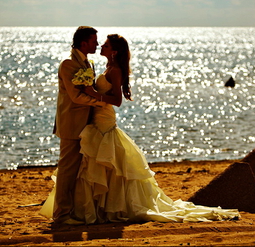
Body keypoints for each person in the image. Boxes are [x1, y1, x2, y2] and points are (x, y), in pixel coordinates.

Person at [40, 34, 240, 224]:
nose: (101, 45)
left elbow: (116, 101)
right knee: (93, 165)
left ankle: (105, 208)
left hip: (104, 120)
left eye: (106, 45)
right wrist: (93, 94)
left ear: (115, 52)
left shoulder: (114, 70)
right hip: (93, 122)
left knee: (106, 163)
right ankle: (89, 208)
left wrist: (94, 94)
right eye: (98, 42)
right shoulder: (100, 66)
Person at [49, 26, 107, 225]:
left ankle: (74, 210)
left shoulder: (87, 63)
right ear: (83, 43)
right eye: (93, 41)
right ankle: (62, 215)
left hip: (87, 125)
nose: (96, 44)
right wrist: (102, 102)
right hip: (71, 125)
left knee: (79, 171)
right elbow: (75, 96)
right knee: (67, 170)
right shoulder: (67, 64)